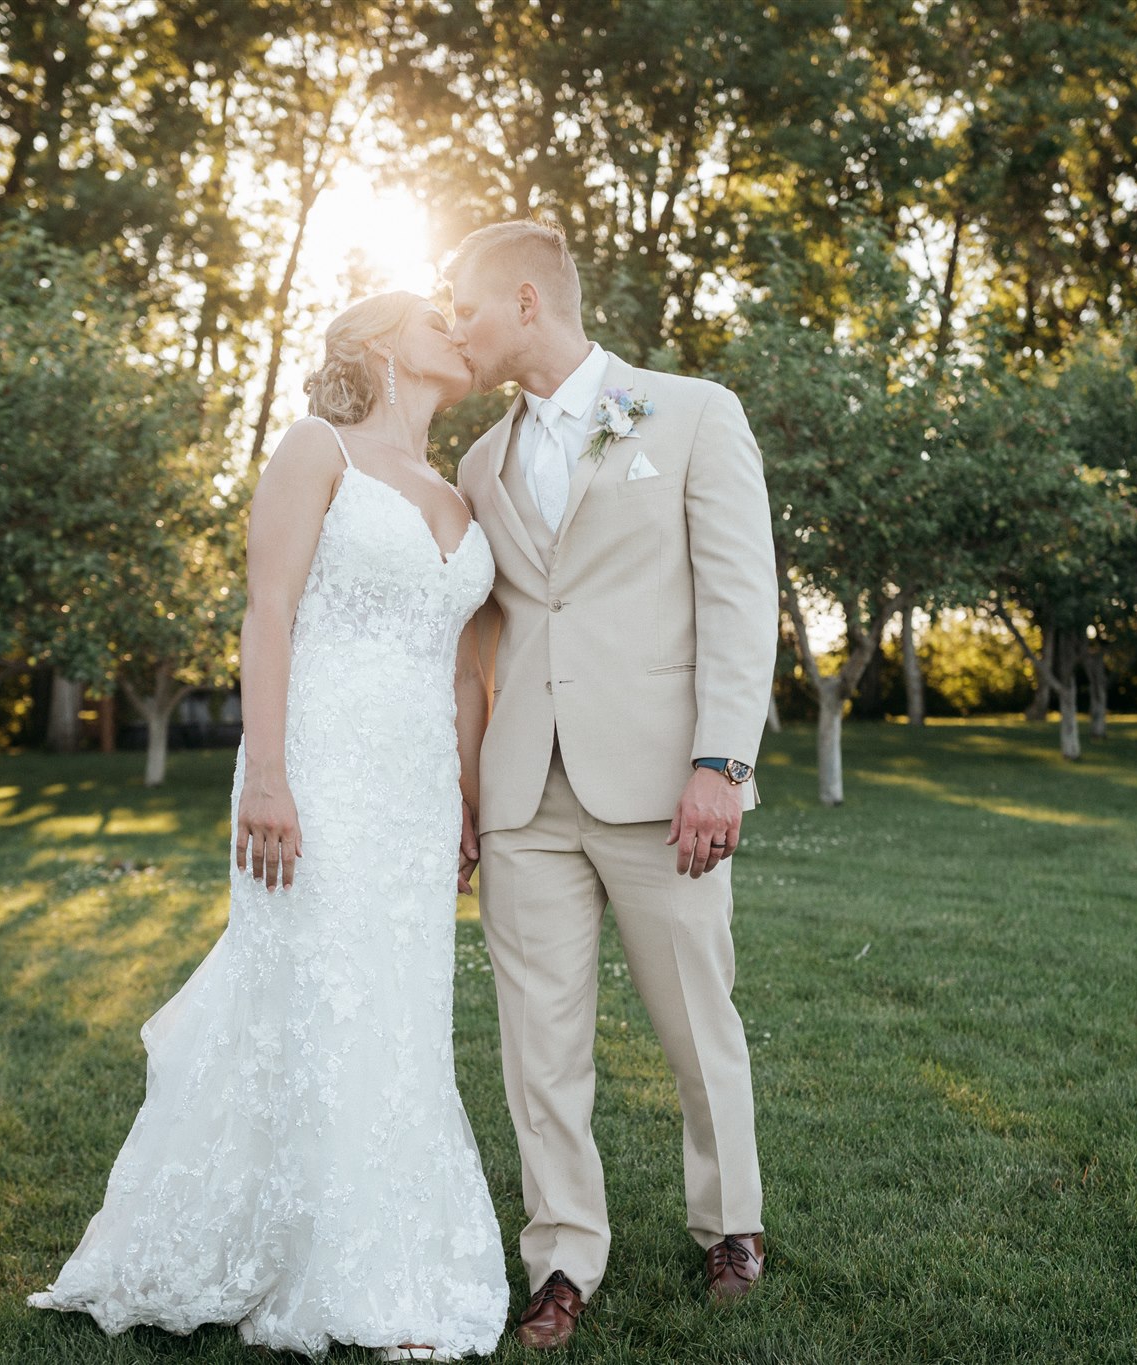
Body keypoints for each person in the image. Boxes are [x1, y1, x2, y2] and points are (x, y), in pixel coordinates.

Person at [27, 292, 508, 1362]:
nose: (456, 329)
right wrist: (267, 776)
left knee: (399, 1012)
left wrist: (469, 801)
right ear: (381, 342)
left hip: (418, 791)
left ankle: (386, 1245)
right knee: (307, 993)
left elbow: (468, 672)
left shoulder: (457, 490)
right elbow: (269, 609)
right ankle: (283, 1247)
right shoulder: (315, 449)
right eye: (434, 314)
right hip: (318, 771)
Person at [446, 219, 780, 1351]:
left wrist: (719, 763)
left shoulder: (689, 412)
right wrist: (463, 790)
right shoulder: (477, 463)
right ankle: (560, 1254)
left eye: (467, 308)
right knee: (537, 1043)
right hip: (522, 795)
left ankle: (729, 1224)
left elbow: (741, 597)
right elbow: (483, 637)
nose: (456, 330)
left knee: (695, 1020)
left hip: (660, 782)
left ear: (528, 301)